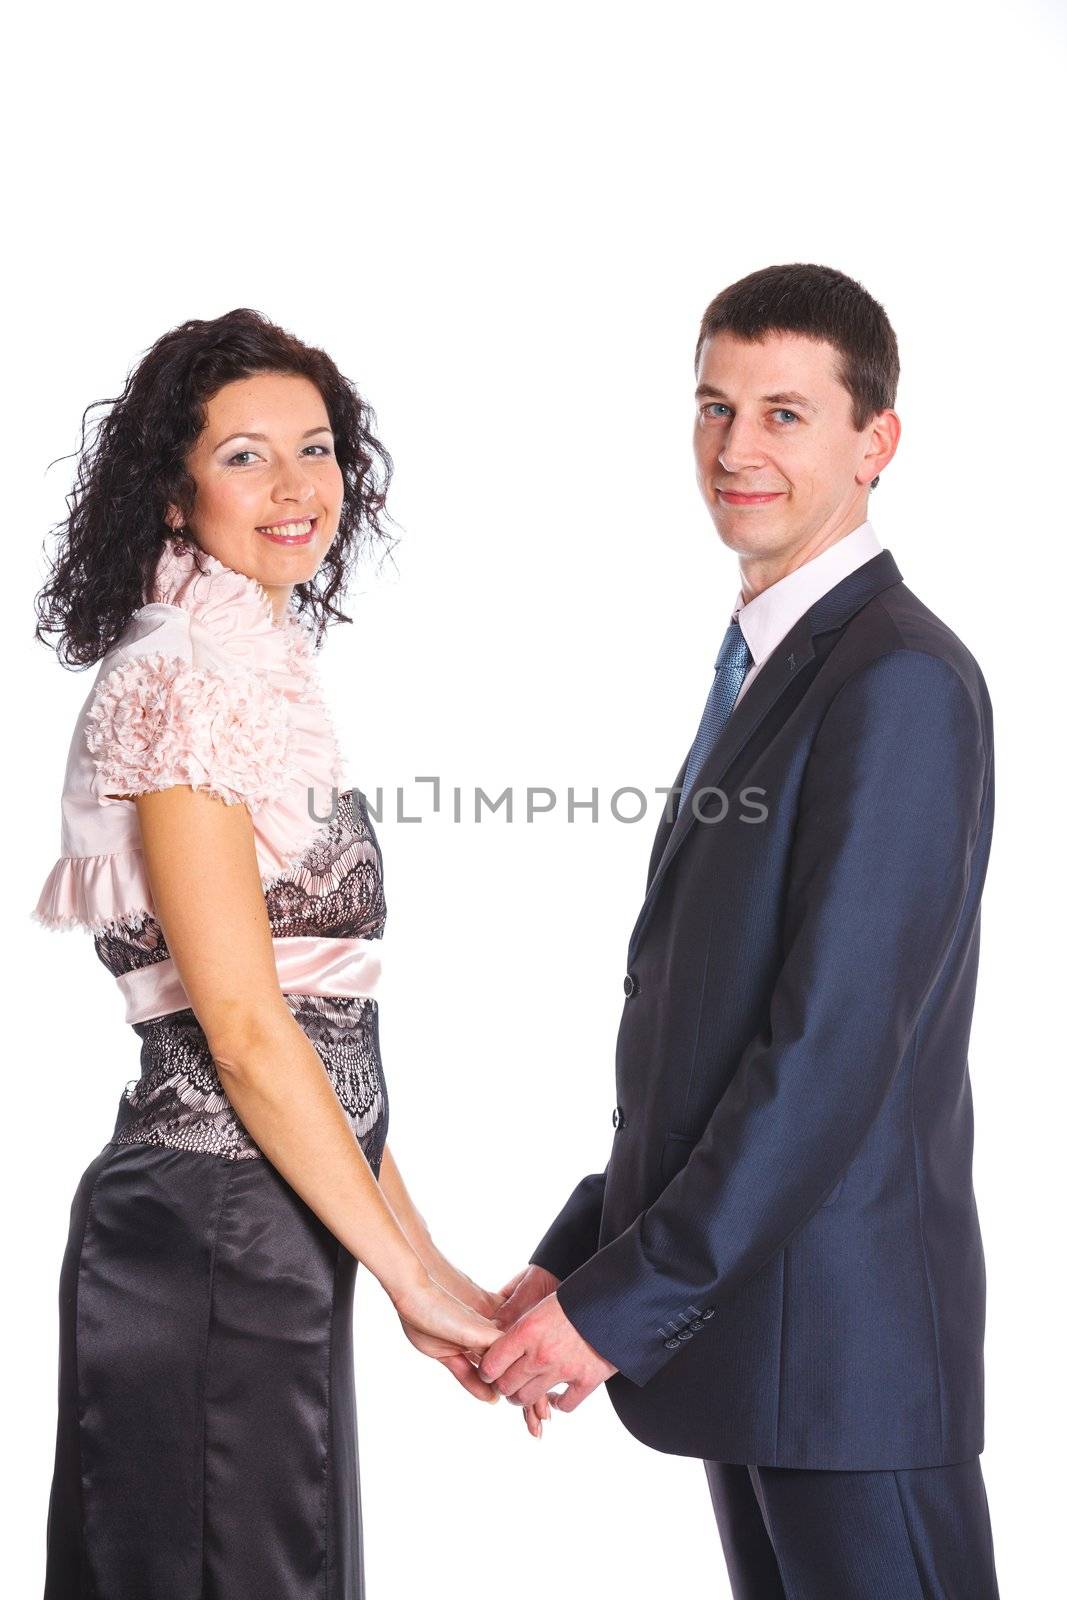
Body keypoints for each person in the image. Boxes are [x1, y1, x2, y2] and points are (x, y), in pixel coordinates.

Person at [484, 264, 1001, 1598]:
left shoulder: (897, 682)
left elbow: (825, 1054)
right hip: (757, 1353)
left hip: (845, 1367)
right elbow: (715, 1037)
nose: (735, 448)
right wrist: (579, 1256)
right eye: (714, 409)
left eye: (784, 413)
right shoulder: (782, 664)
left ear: (875, 441)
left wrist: (617, 1308)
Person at [31, 308, 514, 1599]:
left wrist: (432, 1270)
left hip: (262, 1238)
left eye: (316, 447)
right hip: (208, 1241)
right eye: (247, 456)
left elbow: (318, 1031)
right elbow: (243, 1032)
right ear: (173, 495)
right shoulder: (186, 677)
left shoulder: (253, 665)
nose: (297, 487)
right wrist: (408, 1281)